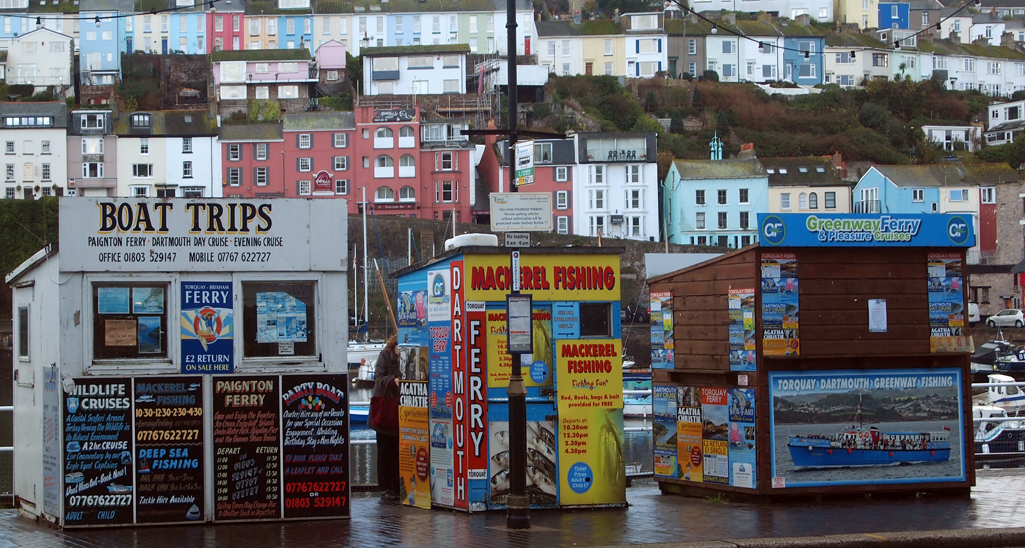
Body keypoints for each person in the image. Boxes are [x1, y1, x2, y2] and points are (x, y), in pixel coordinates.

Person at [373, 334, 401, 504]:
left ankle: (397, 485)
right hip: (386, 409)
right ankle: (386, 487)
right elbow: (378, 378)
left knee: (399, 449)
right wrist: (393, 380)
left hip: (400, 409)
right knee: (385, 450)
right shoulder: (385, 356)